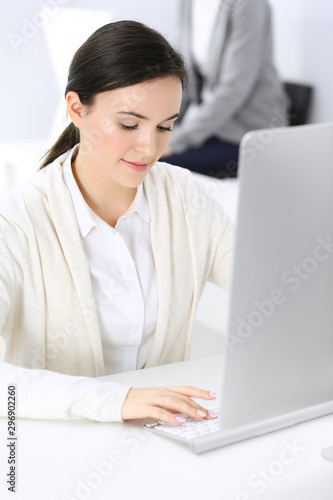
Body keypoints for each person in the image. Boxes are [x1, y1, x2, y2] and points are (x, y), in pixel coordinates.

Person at [0, 20, 233, 425]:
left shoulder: (184, 197)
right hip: (53, 448)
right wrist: (115, 401)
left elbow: (268, 285)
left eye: (165, 126)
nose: (150, 148)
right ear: (77, 110)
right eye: (129, 124)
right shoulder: (16, 223)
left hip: (163, 440)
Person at [162, 0, 289, 178]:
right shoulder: (188, 3)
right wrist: (162, 127)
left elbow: (234, 88)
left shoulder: (248, 4)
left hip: (246, 136)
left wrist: (177, 142)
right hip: (213, 130)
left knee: (157, 166)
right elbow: (186, 79)